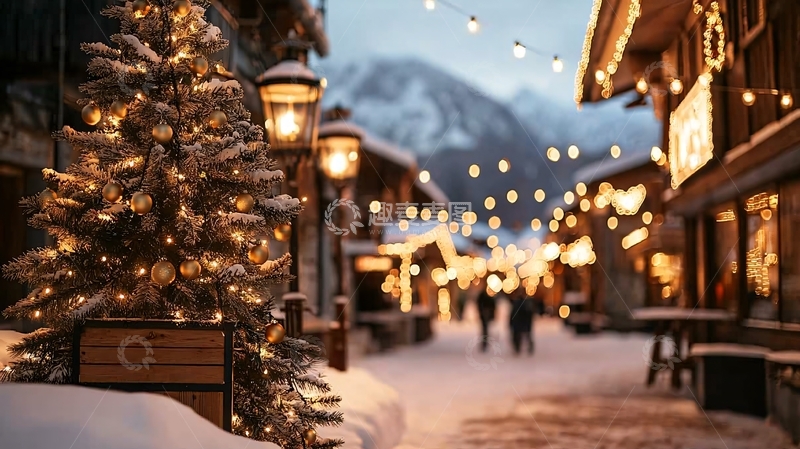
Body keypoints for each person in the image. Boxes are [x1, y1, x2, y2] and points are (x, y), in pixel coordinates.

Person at [509, 289, 535, 355]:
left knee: (519, 336)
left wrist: (511, 322)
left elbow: (513, 314)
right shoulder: (526, 304)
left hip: (519, 323)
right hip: (522, 323)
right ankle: (523, 348)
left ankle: (519, 348)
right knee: (524, 336)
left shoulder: (518, 304)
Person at [476, 284, 496, 352]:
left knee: (485, 329)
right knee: (485, 329)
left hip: (485, 314)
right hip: (484, 315)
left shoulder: (488, 296)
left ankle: (485, 342)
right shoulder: (485, 296)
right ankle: (484, 342)